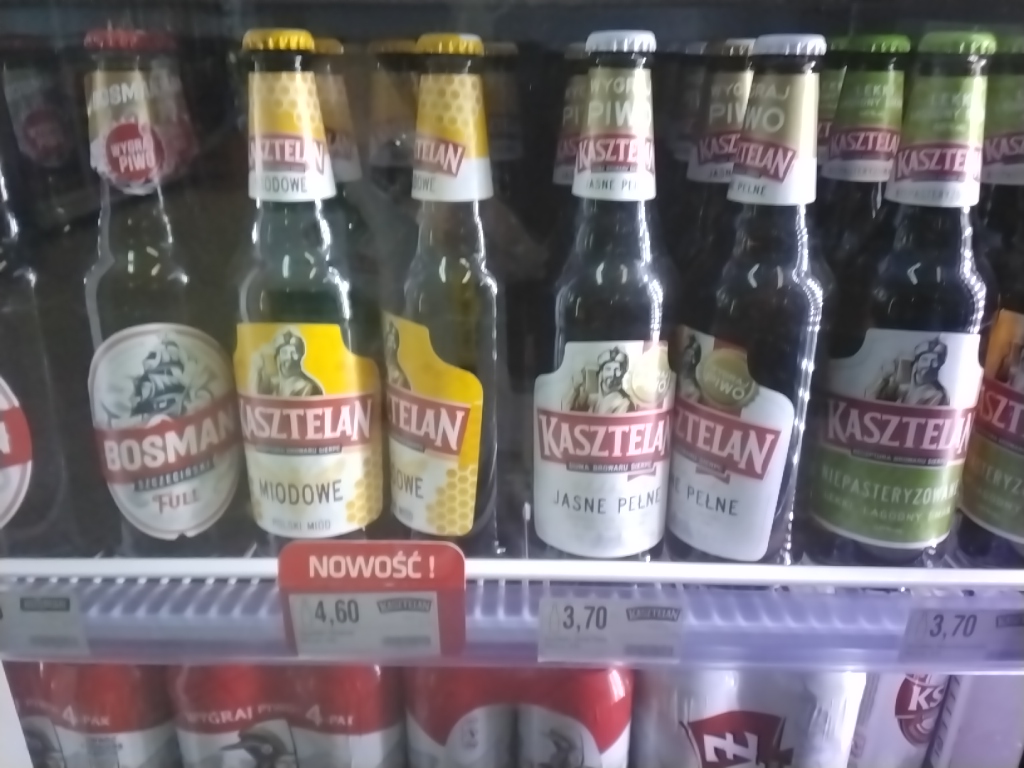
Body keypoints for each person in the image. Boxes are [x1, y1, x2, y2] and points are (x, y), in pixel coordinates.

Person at [869, 338, 950, 406]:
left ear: (940, 365)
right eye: (924, 359)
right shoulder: (901, 384)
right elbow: (872, 400)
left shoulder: (938, 395)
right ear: (916, 362)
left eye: (934, 361)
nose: (929, 365)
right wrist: (885, 378)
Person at [563, 346, 636, 414]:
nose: (612, 374)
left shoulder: (624, 402)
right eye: (608, 369)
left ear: (623, 373)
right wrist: (575, 389)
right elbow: (567, 410)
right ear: (601, 372)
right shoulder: (588, 394)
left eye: (617, 370)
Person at [257, 330, 323, 397]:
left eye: (293, 352)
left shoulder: (309, 389)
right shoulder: (273, 388)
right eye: (284, 352)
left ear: (301, 356)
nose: (289, 357)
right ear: (277, 357)